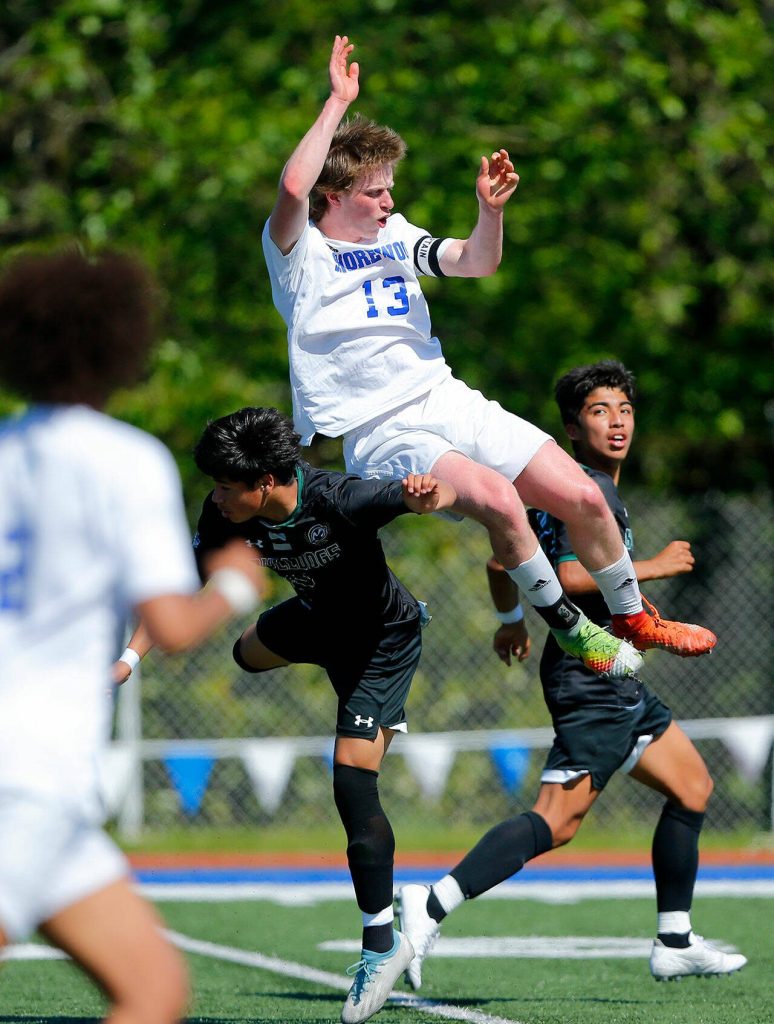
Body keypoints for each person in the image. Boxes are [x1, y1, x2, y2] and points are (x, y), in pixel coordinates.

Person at [261, 33, 717, 684]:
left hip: (445, 397)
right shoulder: (297, 255)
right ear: (334, 196)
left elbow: (476, 262)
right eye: (375, 192)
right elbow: (291, 183)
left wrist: (488, 212)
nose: (389, 203)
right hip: (385, 431)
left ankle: (634, 617)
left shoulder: (395, 235)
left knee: (582, 495)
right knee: (500, 501)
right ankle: (575, 628)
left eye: (391, 190)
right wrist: (337, 103)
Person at [396, 360, 746, 988]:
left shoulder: (570, 490)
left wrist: (509, 623)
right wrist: (656, 567)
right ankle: (432, 901)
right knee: (557, 821)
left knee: (692, 787)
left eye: (625, 411)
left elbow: (505, 564)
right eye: (598, 412)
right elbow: (565, 577)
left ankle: (674, 938)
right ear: (570, 428)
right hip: (590, 675)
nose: (616, 423)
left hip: (614, 674)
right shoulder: (587, 491)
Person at [116, 405, 457, 1024]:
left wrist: (428, 494)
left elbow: (437, 495)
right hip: (315, 623)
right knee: (245, 654)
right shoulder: (222, 514)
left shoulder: (339, 499)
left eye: (225, 485)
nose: (216, 497)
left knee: (351, 779)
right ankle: (355, 699)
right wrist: (129, 660)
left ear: (266, 482)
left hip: (381, 640)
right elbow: (179, 591)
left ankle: (380, 943)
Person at [0, 248, 265, 1024]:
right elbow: (173, 626)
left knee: (152, 989)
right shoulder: (126, 462)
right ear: (120, 343)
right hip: (29, 774)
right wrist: (234, 585)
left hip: (49, 795)